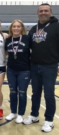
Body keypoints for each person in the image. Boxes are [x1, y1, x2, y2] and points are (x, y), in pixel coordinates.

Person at [23, 3, 59, 132]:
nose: (43, 13)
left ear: (50, 12)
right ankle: (34, 115)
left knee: (49, 94)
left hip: (50, 66)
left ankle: (49, 120)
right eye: (41, 11)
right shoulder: (34, 28)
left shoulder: (56, 26)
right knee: (35, 93)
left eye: (46, 11)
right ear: (37, 13)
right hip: (34, 66)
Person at [4, 20, 31, 123]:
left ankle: (20, 114)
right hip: (11, 69)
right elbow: (6, 52)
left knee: (22, 93)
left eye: (18, 26)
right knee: (13, 92)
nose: (16, 28)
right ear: (11, 28)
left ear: (22, 28)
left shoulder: (27, 38)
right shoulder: (8, 39)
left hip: (24, 70)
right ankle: (13, 112)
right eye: (14, 26)